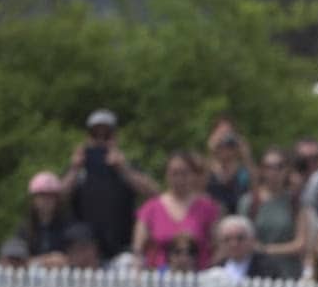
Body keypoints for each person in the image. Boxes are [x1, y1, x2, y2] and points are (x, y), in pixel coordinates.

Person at [66, 109, 159, 260]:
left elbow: (153, 192)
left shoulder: (125, 166)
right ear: (88, 137)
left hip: (121, 249)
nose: (101, 140)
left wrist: (123, 169)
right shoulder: (79, 169)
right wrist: (74, 169)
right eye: (96, 135)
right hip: (85, 253)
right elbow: (58, 198)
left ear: (115, 137)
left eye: (106, 135)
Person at [133, 151, 221, 270]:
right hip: (160, 278)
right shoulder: (150, 208)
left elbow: (218, 247)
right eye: (174, 173)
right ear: (166, 175)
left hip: (198, 278)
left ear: (193, 175)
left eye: (184, 173)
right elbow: (138, 249)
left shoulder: (208, 208)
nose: (179, 178)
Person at [239, 147, 311, 279]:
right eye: (268, 167)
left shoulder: (296, 203)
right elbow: (241, 238)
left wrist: (264, 249)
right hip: (256, 275)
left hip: (288, 274)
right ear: (261, 170)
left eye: (279, 166)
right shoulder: (249, 202)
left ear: (287, 170)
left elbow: (301, 244)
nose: (273, 172)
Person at [21, 171, 78, 265]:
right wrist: (45, 260)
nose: (46, 201)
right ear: (34, 200)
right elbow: (18, 259)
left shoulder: (69, 226)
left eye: (51, 196)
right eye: (41, 196)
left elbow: (78, 256)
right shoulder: (26, 227)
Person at [208, 215, 287, 281]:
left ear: (252, 240)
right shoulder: (216, 268)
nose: (234, 244)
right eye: (227, 239)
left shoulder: (269, 268)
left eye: (240, 238)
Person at [203, 129, 249, 216]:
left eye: (229, 146)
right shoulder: (208, 169)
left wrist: (246, 155)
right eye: (220, 146)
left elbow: (256, 189)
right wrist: (210, 152)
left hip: (237, 217)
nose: (225, 150)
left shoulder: (242, 172)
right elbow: (198, 187)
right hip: (212, 216)